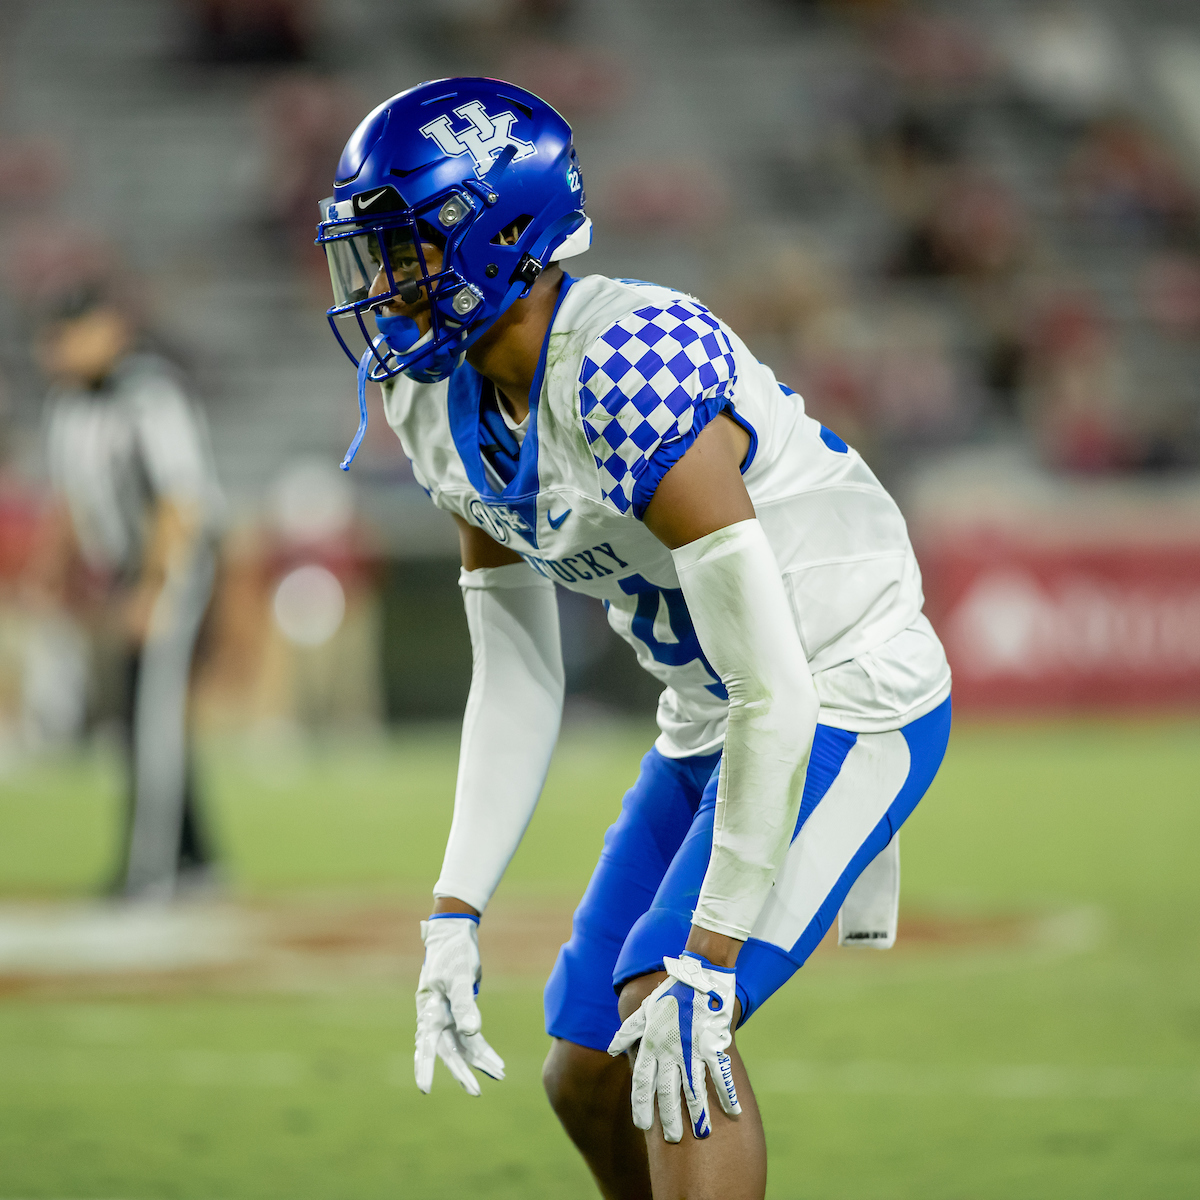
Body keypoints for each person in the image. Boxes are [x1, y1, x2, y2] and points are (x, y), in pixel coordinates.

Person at [316, 79, 952, 1200]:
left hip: (843, 690)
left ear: (500, 236)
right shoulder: (434, 399)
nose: (380, 283)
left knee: (672, 1017)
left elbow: (779, 687)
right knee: (588, 1077)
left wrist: (705, 962)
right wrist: (453, 910)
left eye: (405, 247)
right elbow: (515, 672)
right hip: (711, 715)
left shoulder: (627, 360)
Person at [29, 282, 224, 900]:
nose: (60, 347)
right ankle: (196, 860)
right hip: (120, 572)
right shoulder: (65, 405)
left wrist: (154, 588)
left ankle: (150, 872)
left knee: (151, 723)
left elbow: (179, 500)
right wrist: (53, 573)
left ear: (109, 330)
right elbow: (68, 502)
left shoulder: (150, 395)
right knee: (143, 720)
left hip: (172, 569)